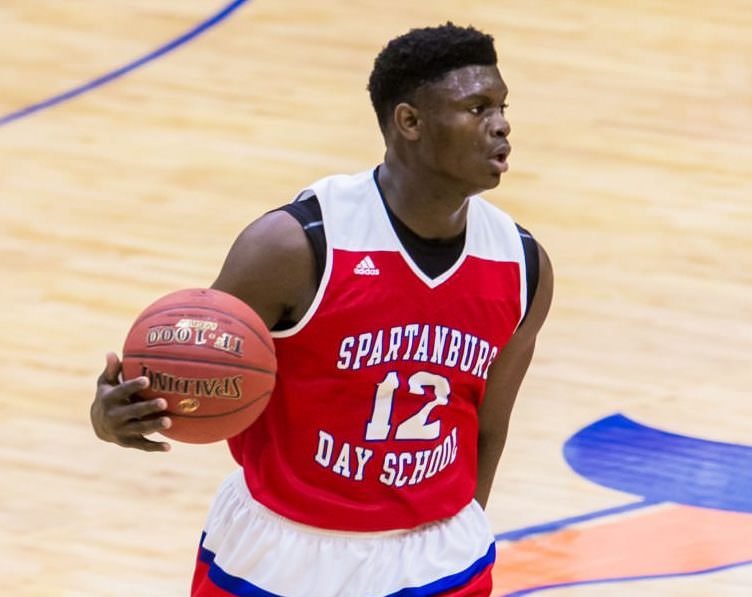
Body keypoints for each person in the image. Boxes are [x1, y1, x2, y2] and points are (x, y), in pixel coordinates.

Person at [91, 22, 553, 597]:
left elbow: (488, 426)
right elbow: (188, 368)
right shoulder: (295, 247)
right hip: (281, 553)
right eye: (477, 107)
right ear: (409, 122)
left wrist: (458, 526)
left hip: (437, 560)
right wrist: (114, 416)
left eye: (503, 106)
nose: (502, 124)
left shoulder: (521, 263)